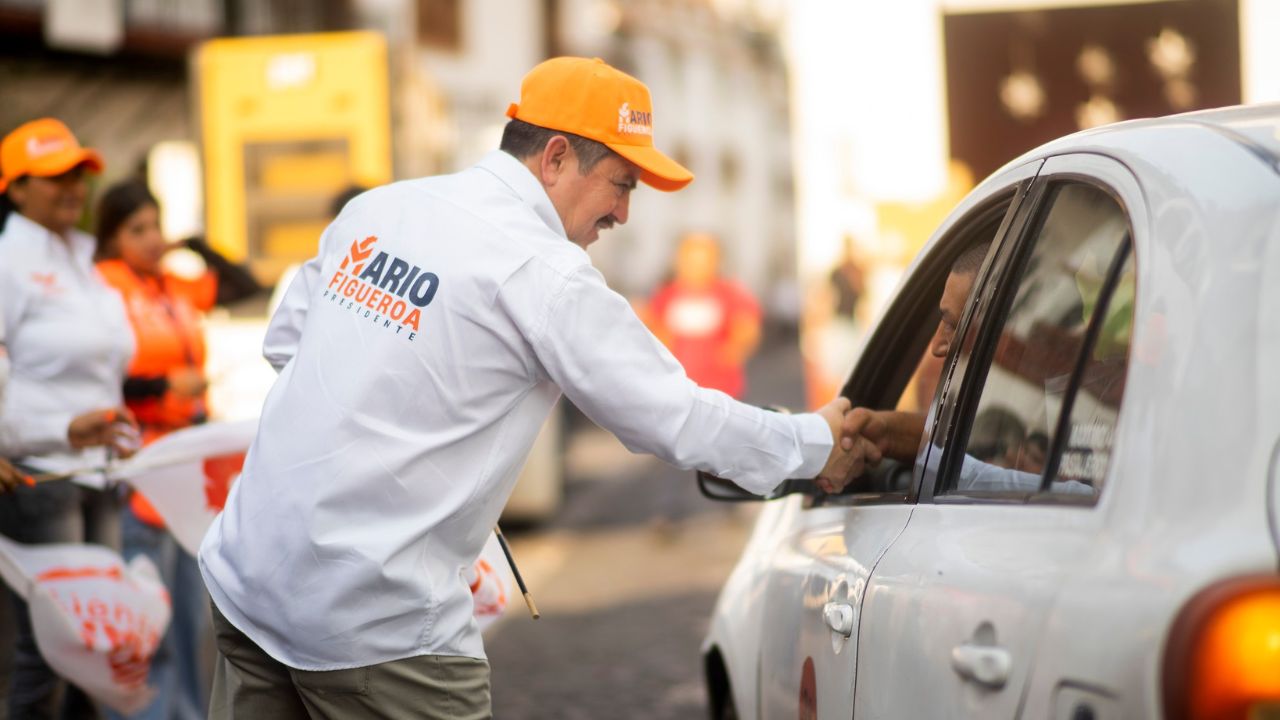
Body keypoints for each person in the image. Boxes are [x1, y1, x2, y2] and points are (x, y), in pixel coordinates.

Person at [198, 57, 872, 719]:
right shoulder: (544, 271)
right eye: (621, 182)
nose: (625, 213)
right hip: (375, 627)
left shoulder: (384, 207)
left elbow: (287, 344)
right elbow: (672, 415)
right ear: (554, 158)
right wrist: (814, 442)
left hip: (250, 584)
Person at [0, 117, 140, 718]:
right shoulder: (8, 260)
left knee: (95, 643)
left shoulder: (82, 260)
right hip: (37, 472)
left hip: (97, 473)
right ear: (14, 187)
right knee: (51, 647)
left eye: (78, 172)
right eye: (54, 175)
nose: (72, 187)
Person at [838, 242, 1092, 496]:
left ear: (1005, 329)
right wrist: (887, 433)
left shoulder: (1087, 420)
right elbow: (956, 444)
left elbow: (1072, 493)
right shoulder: (1065, 410)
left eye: (952, 324)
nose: (937, 344)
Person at [95, 179, 213, 720]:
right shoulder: (102, 288)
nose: (149, 239)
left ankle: (186, 713)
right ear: (111, 237)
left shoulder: (171, 286)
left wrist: (192, 244)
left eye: (154, 227)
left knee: (191, 618)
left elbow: (239, 283)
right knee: (150, 619)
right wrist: (164, 388)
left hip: (188, 471)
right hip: (140, 473)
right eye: (135, 229)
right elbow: (102, 378)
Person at [644, 231, 761, 399]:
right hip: (677, 386)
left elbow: (746, 328)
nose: (696, 267)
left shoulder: (730, 294)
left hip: (720, 389)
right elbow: (656, 329)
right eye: (690, 260)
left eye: (703, 260)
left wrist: (732, 352)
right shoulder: (666, 295)